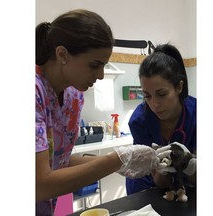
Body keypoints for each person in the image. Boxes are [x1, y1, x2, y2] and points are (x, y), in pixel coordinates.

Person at [36, 9, 159, 215]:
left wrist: (122, 161)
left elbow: (60, 160)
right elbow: (39, 184)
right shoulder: (34, 91)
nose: (101, 75)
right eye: (95, 65)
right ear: (62, 54)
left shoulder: (74, 97)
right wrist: (116, 160)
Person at [126, 43, 197, 195]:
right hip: (145, 190)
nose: (154, 104)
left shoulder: (196, 114)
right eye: (147, 96)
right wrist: (161, 169)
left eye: (162, 94)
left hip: (187, 191)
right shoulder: (140, 121)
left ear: (179, 87)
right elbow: (160, 182)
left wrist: (190, 165)